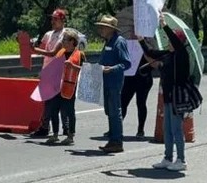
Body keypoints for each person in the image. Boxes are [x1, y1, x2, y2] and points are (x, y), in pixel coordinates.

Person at [140, 13, 191, 172]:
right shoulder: (168, 55)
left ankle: (181, 160)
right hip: (168, 97)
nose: (168, 41)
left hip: (177, 97)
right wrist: (141, 40)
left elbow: (176, 41)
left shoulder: (182, 54)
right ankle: (168, 158)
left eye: (171, 40)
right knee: (167, 129)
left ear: (178, 42)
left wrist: (164, 25)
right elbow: (150, 52)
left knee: (177, 129)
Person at [95, 14, 132, 153]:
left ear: (111, 29)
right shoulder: (108, 42)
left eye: (104, 27)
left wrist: (112, 69)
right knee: (109, 111)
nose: (101, 29)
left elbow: (126, 63)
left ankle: (117, 141)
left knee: (115, 111)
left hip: (114, 82)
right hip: (106, 81)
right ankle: (112, 139)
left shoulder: (119, 42)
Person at [29, 8, 67, 138]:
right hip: (48, 70)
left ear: (62, 20)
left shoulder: (65, 34)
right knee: (47, 99)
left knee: (58, 100)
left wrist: (36, 50)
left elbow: (53, 53)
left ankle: (65, 126)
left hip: (59, 70)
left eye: (55, 19)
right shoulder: (49, 34)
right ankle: (46, 126)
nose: (53, 21)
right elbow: (41, 48)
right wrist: (31, 46)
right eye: (52, 19)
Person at [44, 29, 86, 146]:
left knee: (69, 111)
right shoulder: (61, 52)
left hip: (70, 87)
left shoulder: (79, 54)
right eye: (62, 39)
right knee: (53, 110)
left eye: (65, 39)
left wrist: (72, 66)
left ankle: (70, 135)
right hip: (57, 86)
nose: (62, 41)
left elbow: (84, 72)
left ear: (72, 41)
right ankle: (55, 134)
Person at [121, 51, 154, 139]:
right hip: (130, 78)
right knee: (123, 102)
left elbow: (153, 64)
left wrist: (144, 49)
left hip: (144, 78)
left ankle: (140, 130)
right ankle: (117, 128)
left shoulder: (148, 46)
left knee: (141, 103)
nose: (133, 36)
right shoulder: (129, 44)